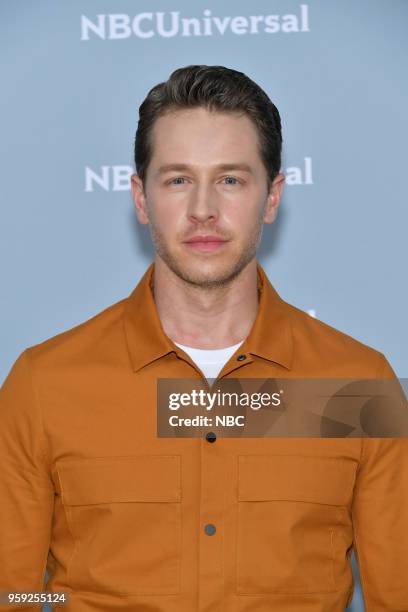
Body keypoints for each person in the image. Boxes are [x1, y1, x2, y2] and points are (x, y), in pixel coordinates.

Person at [0, 64, 406, 612]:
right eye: (178, 179)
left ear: (272, 197)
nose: (203, 211)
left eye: (231, 179)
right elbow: (13, 593)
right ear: (141, 199)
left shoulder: (357, 386)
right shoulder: (44, 385)